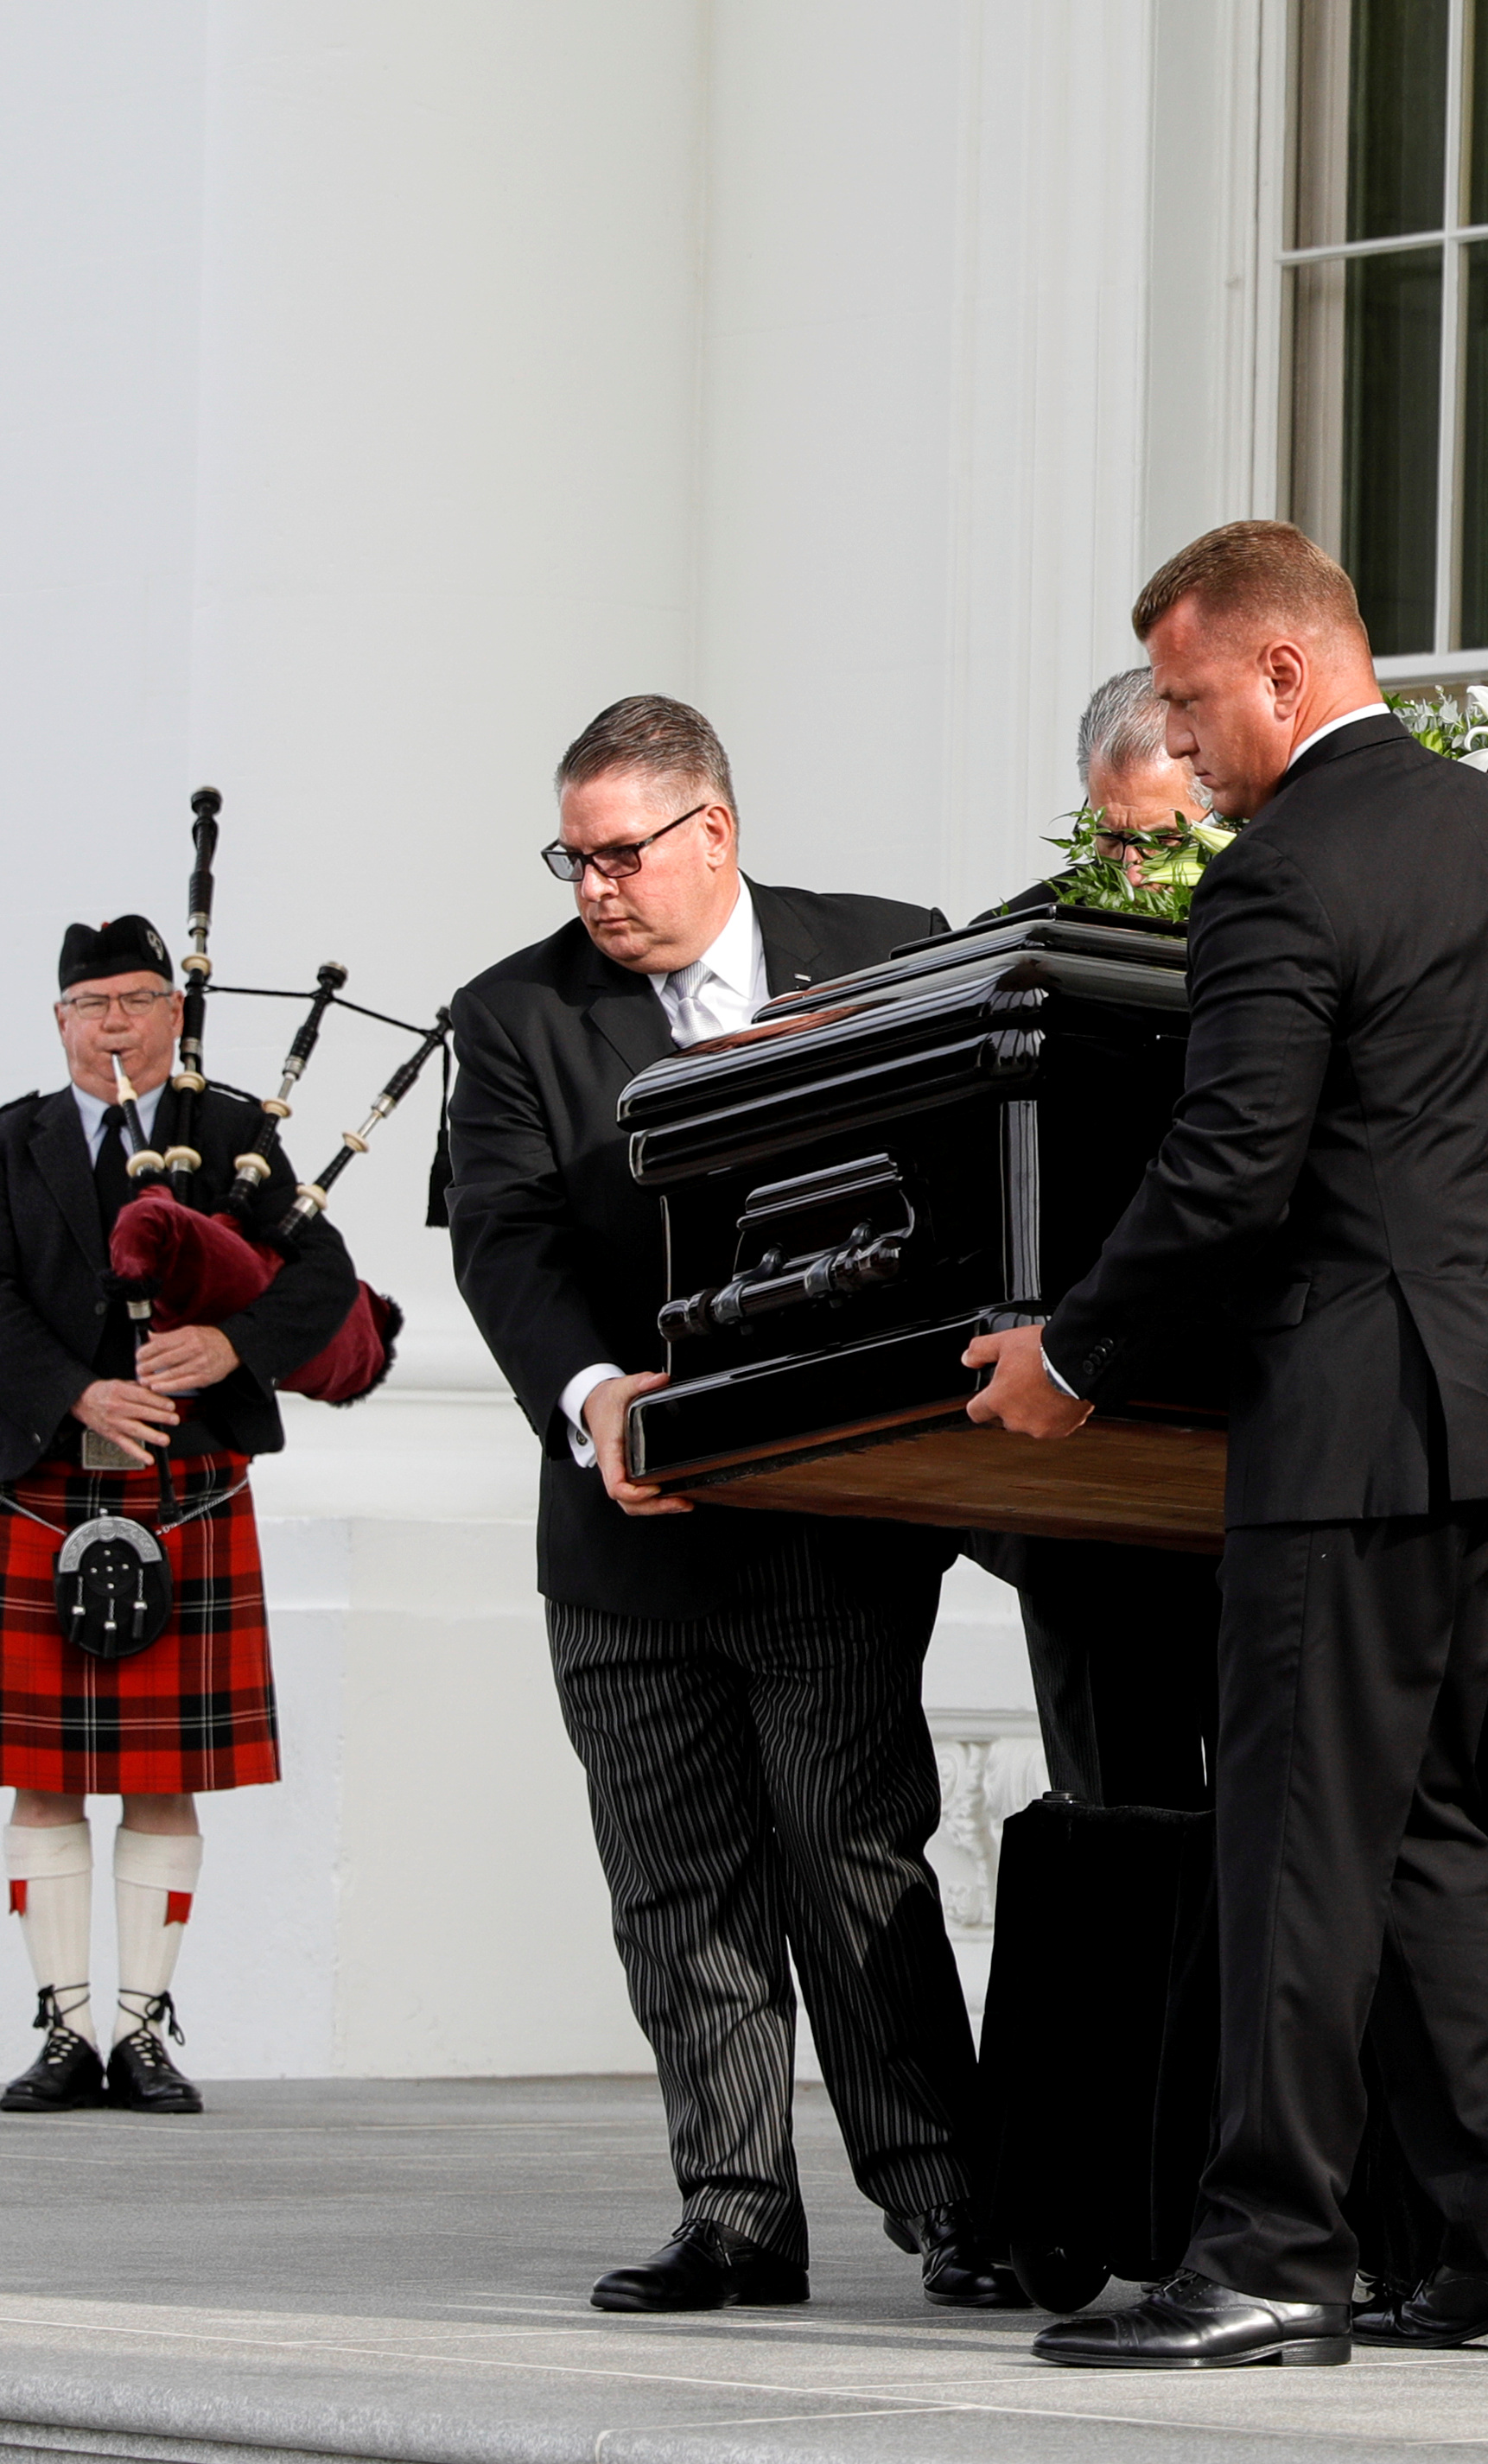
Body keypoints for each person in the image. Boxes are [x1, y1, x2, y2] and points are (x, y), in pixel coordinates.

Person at [964, 521, 1488, 2368]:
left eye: (1192, 693)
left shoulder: (1282, 872)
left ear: (1286, 672)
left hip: (1360, 1418)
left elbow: (1225, 1178)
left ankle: (1273, 2252)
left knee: (1301, 1833)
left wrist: (1069, 1349)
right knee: (1417, 1820)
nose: (1180, 730)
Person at [447, 695, 1009, 2314]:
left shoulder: (893, 951)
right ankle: (739, 2206)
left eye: (623, 852)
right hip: (625, 1536)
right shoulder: (513, 1016)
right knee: (679, 1879)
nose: (594, 888)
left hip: (830, 1511)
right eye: (573, 856)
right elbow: (504, 1241)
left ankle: (949, 2199)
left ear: (717, 832)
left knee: (854, 1858)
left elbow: (961, 1186)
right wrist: (594, 1394)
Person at [0, 918, 358, 2119]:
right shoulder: (13, 1142)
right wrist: (72, 1387)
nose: (115, 1021)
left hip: (189, 1484)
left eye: (140, 998)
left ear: (173, 1015)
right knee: (42, 1778)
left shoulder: (233, 1135)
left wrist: (232, 1341)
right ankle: (63, 2029)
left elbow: (321, 1281)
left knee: (160, 1775)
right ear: (60, 1020)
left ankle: (145, 2031)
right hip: (48, 1482)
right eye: (91, 1001)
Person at [966, 668, 1224, 1812]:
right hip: (1083, 1475)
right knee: (1120, 1815)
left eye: (1163, 841)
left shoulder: (1296, 936)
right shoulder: (1014, 951)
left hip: (1243, 1436)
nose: (1129, 873)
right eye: (1107, 839)